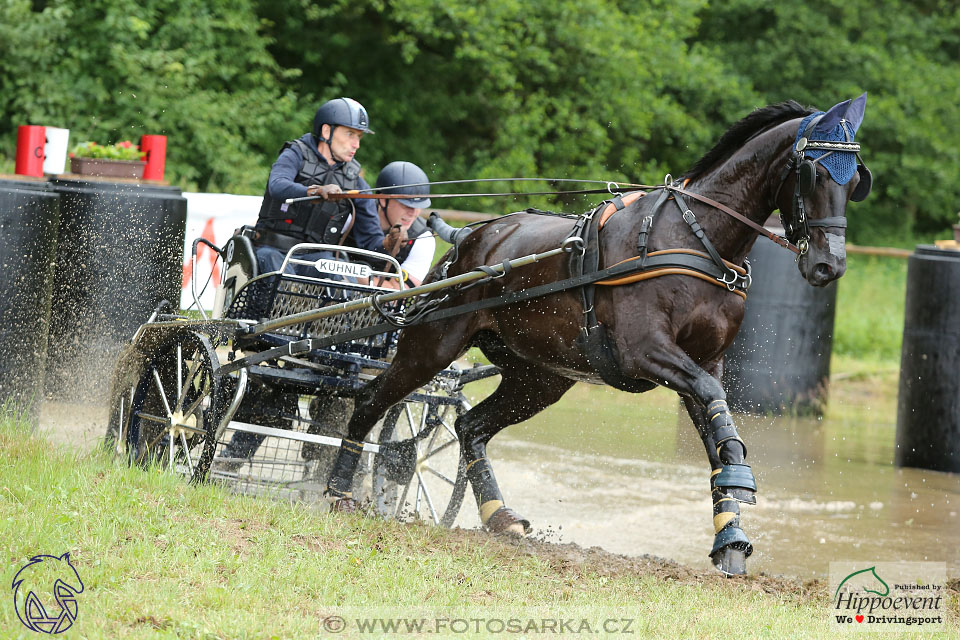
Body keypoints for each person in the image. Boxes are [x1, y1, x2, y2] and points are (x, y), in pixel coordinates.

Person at [252, 97, 398, 276]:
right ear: (327, 131)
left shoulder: (356, 183)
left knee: (341, 279)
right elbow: (277, 185)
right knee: (277, 271)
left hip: (317, 260)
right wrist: (314, 190)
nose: (356, 144)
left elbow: (370, 241)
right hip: (272, 249)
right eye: (349, 134)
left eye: (359, 137)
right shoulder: (296, 154)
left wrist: (387, 244)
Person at [365, 161, 436, 289]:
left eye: (418, 207)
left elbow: (398, 293)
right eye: (406, 205)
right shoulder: (356, 215)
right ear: (383, 199)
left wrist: (354, 277)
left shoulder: (423, 238)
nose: (413, 213)